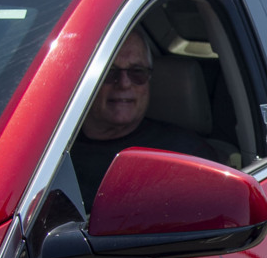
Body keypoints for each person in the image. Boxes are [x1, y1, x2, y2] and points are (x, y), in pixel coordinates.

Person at [70, 30, 216, 211]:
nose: (124, 84)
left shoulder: (187, 157)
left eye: (137, 72)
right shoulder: (52, 152)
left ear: (149, 80)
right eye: (109, 72)